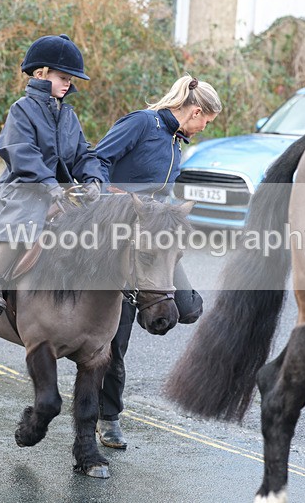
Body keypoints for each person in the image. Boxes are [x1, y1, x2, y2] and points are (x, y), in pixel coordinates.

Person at [93, 74, 222, 448]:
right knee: (117, 341)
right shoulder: (141, 123)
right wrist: (113, 196)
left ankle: (146, 305)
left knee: (189, 307)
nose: (203, 129)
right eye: (206, 122)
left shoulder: (174, 140)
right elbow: (98, 160)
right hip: (121, 234)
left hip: (155, 234)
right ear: (195, 111)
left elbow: (161, 193)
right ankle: (108, 418)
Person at [0, 34, 102, 316]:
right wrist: (48, 184)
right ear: (40, 73)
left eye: (71, 78)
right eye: (63, 76)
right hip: (25, 186)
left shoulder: (69, 115)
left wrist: (94, 180)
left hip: (62, 189)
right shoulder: (21, 109)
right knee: (27, 217)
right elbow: (20, 150)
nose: (69, 82)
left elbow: (84, 153)